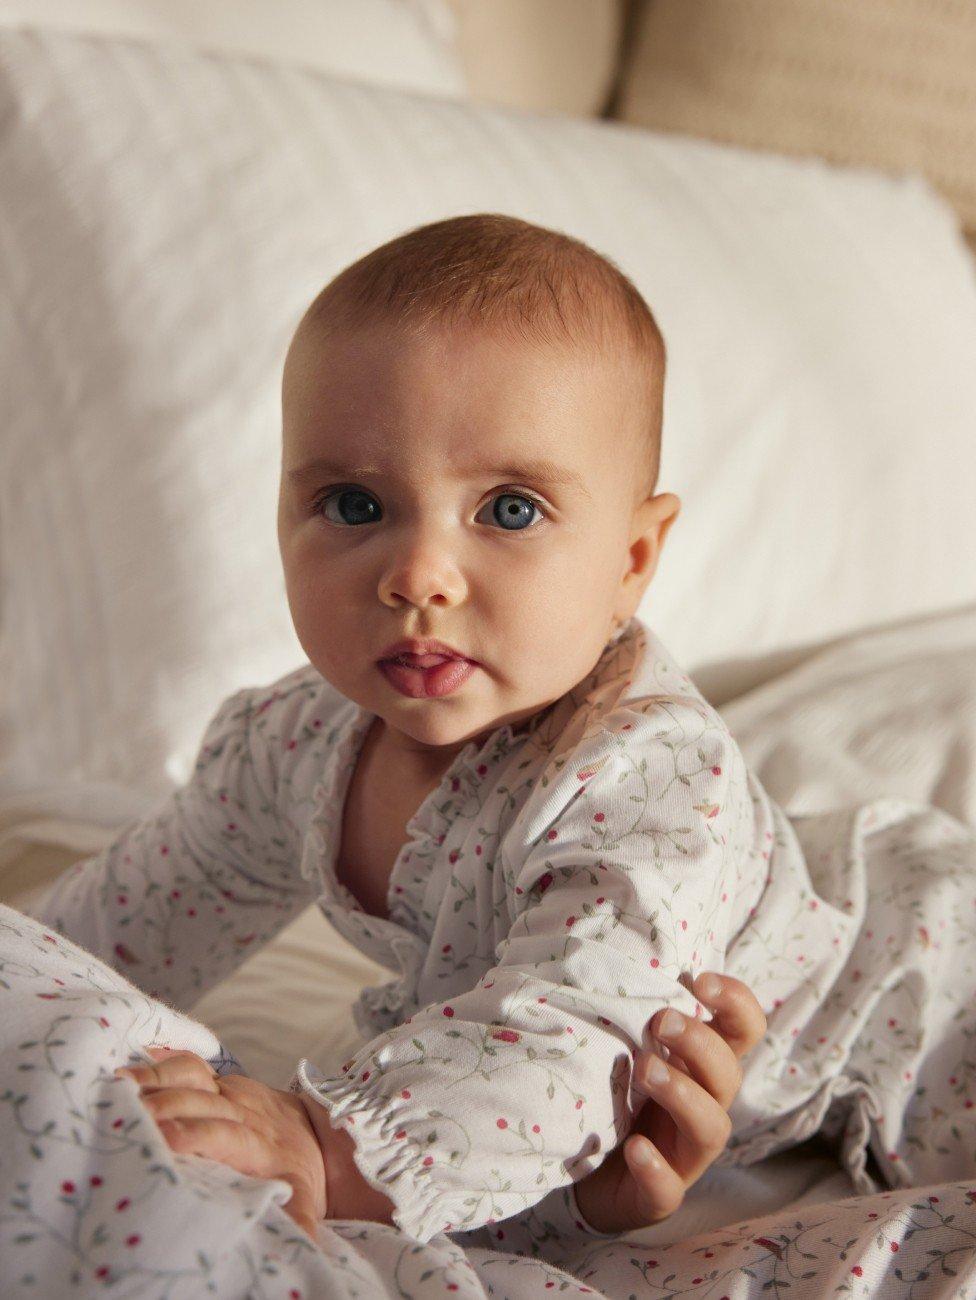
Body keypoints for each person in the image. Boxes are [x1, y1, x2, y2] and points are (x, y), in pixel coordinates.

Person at [17, 214, 975, 1278]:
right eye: (353, 503)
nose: (418, 573)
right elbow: (124, 920)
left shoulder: (647, 776)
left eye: (508, 508)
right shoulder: (291, 747)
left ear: (631, 558)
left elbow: (564, 1043)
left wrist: (325, 1148)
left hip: (919, 985)